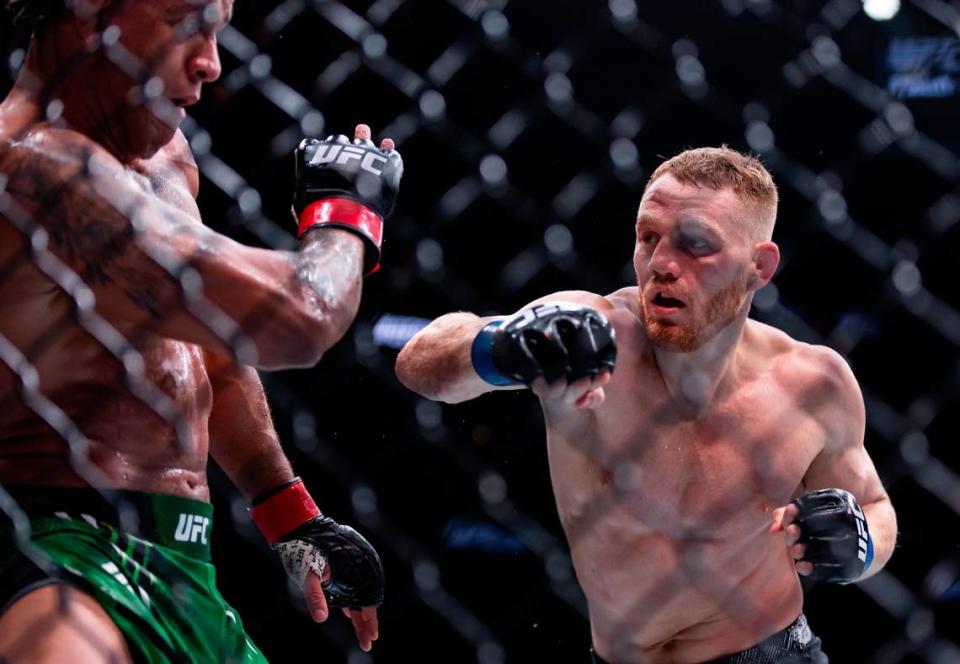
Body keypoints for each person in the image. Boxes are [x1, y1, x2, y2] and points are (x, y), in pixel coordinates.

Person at [0, 0, 401, 661]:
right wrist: (346, 216)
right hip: (58, 546)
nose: (211, 62)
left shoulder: (166, 155)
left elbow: (208, 341)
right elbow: (299, 319)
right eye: (185, 21)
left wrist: (286, 508)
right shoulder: (35, 167)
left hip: (184, 556)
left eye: (217, 28)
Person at [396, 146, 897, 663]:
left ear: (758, 266)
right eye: (648, 237)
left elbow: (877, 509)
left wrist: (860, 549)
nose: (660, 265)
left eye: (695, 244)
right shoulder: (587, 329)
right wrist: (502, 346)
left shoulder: (813, 381)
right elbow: (419, 363)